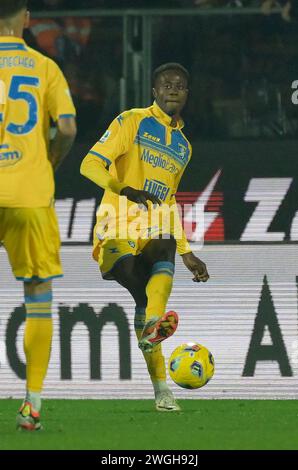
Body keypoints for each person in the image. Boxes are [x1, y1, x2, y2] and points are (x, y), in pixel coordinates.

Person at [80, 62, 209, 411]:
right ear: (154, 91)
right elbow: (89, 165)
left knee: (164, 243)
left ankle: (162, 390)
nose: (172, 88)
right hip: (115, 226)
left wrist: (186, 253)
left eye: (179, 85)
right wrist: (125, 189)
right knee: (137, 283)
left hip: (151, 228)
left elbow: (167, 202)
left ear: (186, 94)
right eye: (166, 83)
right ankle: (152, 323)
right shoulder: (131, 121)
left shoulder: (183, 146)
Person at [0, 0, 77, 430]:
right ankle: (31, 405)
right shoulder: (44, 67)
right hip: (29, 192)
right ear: (26, 19)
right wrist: (51, 159)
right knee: (37, 295)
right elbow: (66, 127)